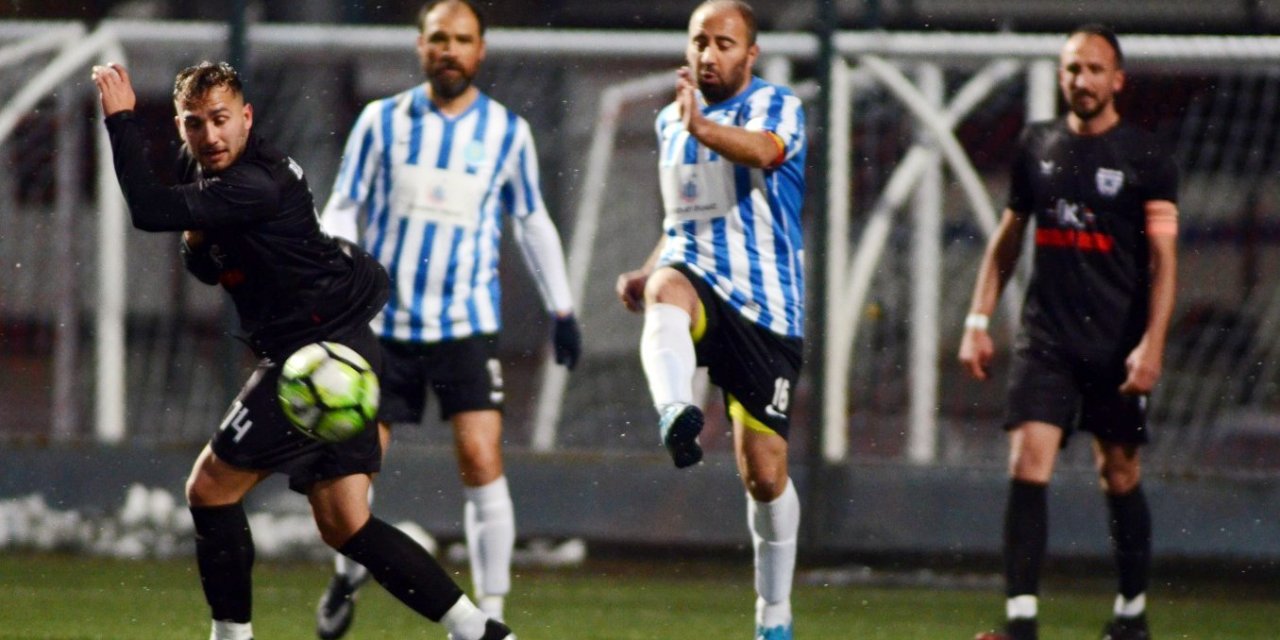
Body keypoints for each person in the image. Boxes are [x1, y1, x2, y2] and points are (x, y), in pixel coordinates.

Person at [91, 60, 514, 640]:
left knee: (209, 490)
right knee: (347, 524)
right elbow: (210, 266)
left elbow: (148, 211)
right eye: (194, 123)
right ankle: (482, 632)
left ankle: (231, 638)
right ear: (182, 125)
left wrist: (121, 121)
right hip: (340, 345)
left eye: (220, 119)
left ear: (246, 117)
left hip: (316, 357)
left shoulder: (255, 182)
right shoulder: (211, 167)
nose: (209, 135)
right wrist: (197, 244)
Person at [315, 1, 581, 637]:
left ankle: (493, 615)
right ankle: (348, 574)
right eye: (439, 38)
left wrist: (563, 307)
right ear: (420, 46)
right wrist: (342, 266)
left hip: (465, 323)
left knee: (481, 457)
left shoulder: (507, 132)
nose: (450, 50)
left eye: (462, 39)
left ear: (480, 50)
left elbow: (531, 219)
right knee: (351, 476)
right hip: (383, 328)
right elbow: (344, 204)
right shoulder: (381, 121)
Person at [961, 24, 1178, 640]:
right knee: (1027, 459)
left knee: (1120, 472)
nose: (1081, 80)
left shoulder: (1146, 157)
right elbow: (1007, 239)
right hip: (1047, 341)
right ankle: (1021, 624)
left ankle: (1131, 617)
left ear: (1117, 80)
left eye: (1093, 69)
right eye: (1072, 69)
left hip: (1117, 345)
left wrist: (1152, 344)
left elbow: (1164, 263)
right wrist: (977, 320)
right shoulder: (1038, 145)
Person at [614, 2, 805, 639]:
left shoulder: (777, 105)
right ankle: (677, 409)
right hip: (697, 281)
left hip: (765, 309)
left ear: (750, 53)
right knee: (666, 288)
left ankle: (774, 615)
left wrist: (701, 127)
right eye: (700, 41)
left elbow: (765, 152)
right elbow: (683, 220)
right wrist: (647, 271)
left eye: (725, 43)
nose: (709, 54)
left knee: (765, 476)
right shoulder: (671, 121)